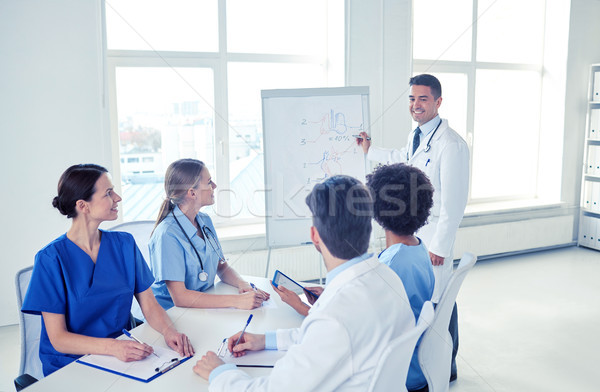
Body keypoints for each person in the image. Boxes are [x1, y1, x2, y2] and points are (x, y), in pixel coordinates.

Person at [193, 175, 415, 391]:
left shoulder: (337, 316)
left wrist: (219, 373)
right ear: (368, 228)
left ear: (314, 235)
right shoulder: (387, 276)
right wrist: (265, 340)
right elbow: (319, 337)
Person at [21, 164, 194, 377]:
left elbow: (149, 305)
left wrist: (169, 331)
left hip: (123, 354)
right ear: (83, 206)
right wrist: (112, 348)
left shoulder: (124, 244)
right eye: (109, 193)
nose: (118, 198)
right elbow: (58, 338)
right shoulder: (50, 259)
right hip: (72, 365)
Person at [357, 73, 469, 380]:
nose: (416, 105)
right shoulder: (416, 135)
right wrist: (370, 151)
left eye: (422, 99)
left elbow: (455, 203)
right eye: (411, 98)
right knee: (431, 300)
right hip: (416, 230)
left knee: (440, 300)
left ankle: (447, 365)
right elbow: (403, 160)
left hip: (433, 238)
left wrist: (441, 245)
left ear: (438, 102)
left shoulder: (451, 145)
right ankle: (431, 361)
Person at [149, 158, 269, 310]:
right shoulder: (167, 234)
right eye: (209, 182)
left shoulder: (205, 221)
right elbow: (180, 297)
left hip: (203, 306)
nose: (214, 186)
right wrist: (236, 301)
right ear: (192, 192)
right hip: (173, 314)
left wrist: (244, 286)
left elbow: (222, 267)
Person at [366, 163, 435, 392]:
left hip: (396, 375)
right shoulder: (418, 248)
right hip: (417, 367)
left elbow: (358, 327)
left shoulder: (390, 266)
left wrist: (304, 308)